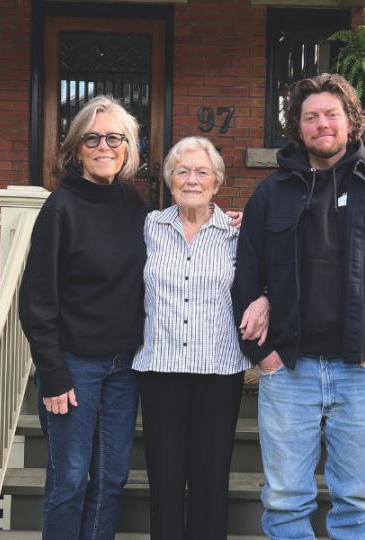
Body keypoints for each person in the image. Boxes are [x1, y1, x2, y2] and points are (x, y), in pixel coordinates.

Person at [232, 73, 365, 539]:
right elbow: (244, 277)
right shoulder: (270, 194)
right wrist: (266, 358)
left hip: (360, 371)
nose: (322, 124)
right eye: (311, 116)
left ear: (350, 122)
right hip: (288, 372)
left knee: (358, 502)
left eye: (331, 115)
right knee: (284, 502)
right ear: (298, 127)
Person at [19, 96, 147, 539]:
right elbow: (36, 300)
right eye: (92, 138)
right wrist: (52, 373)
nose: (104, 146)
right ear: (76, 149)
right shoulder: (60, 208)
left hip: (125, 367)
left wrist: (222, 225)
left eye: (115, 137)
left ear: (129, 147)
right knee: (70, 482)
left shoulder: (136, 208)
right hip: (74, 367)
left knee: (111, 480)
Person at [133, 136, 268, 540]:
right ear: (169, 179)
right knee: (164, 479)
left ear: (217, 182)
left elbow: (272, 271)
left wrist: (264, 297)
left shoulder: (238, 232)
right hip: (160, 367)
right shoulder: (147, 227)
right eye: (182, 171)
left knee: (211, 481)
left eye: (202, 172)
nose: (192, 179)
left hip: (219, 370)